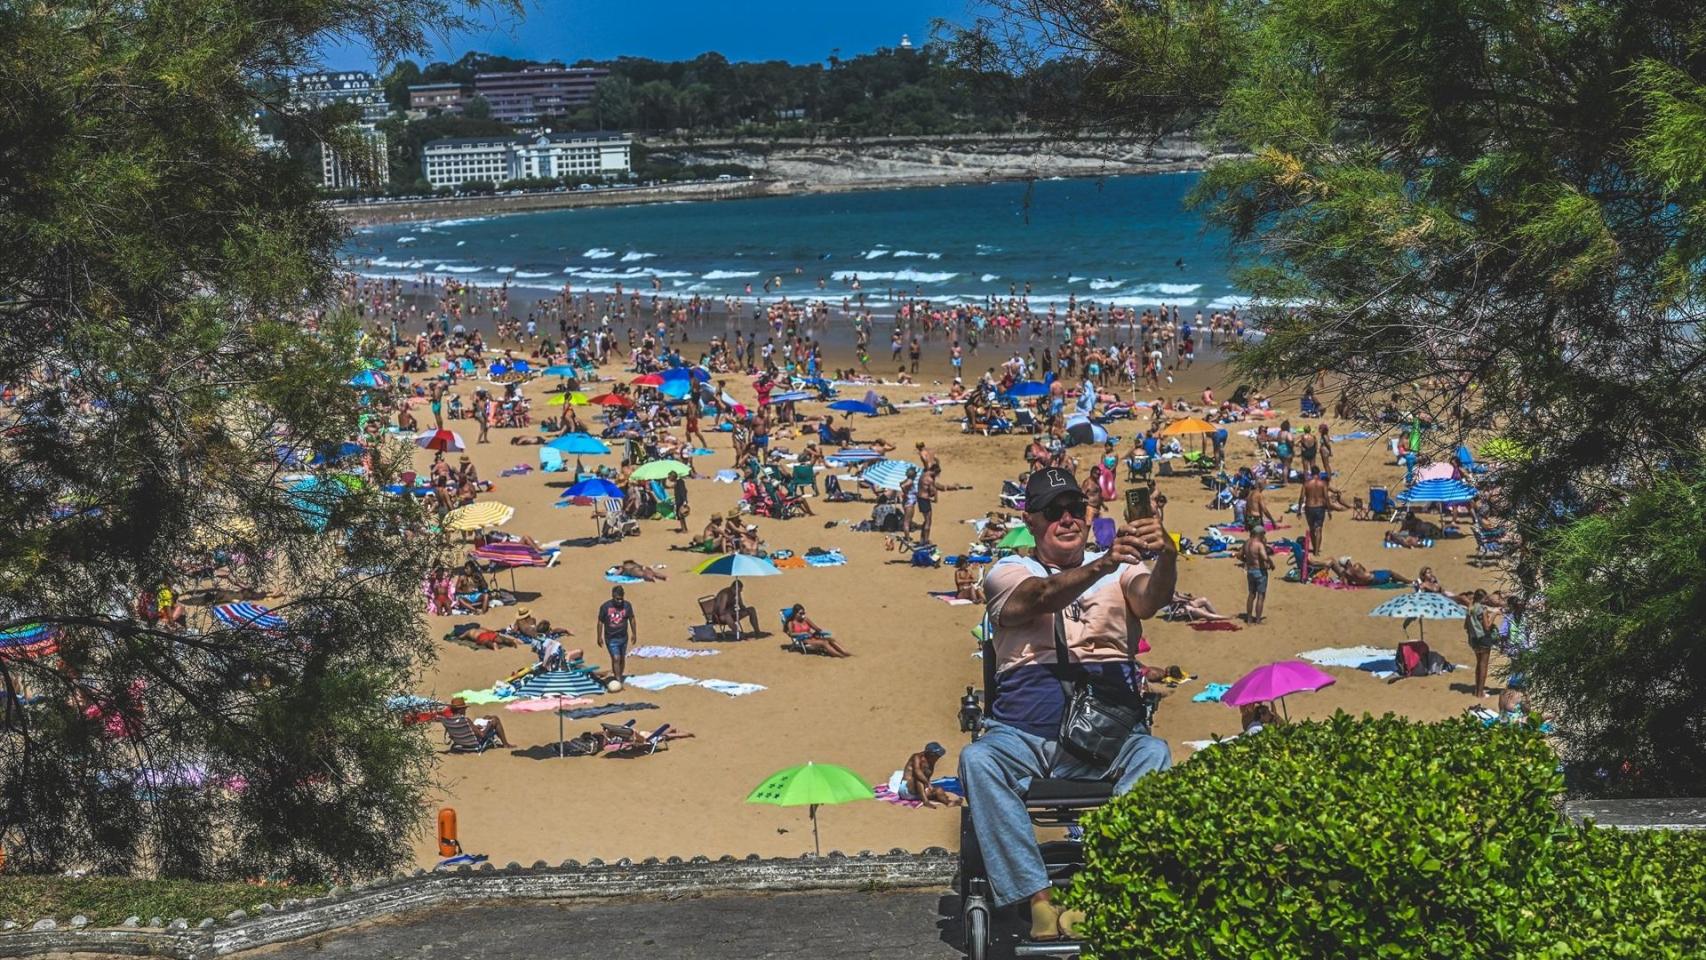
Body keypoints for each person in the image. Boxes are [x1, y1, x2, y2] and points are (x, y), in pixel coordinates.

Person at [960, 467, 1175, 940]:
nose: (1067, 519)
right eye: (1053, 511)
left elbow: (1150, 599)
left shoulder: (1123, 569)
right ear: (1032, 520)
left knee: (1154, 755)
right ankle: (1038, 897)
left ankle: (1098, 890)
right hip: (1023, 735)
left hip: (1106, 735)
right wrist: (1099, 566)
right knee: (978, 760)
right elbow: (1035, 599)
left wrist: (1168, 555)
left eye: (1075, 509)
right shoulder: (1008, 571)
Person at [897, 742, 963, 807]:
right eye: (937, 755)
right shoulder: (917, 757)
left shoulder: (931, 760)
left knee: (939, 790)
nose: (938, 757)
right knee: (919, 778)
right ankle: (925, 801)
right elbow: (917, 772)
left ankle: (948, 803)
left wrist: (928, 787)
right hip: (906, 790)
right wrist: (928, 783)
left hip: (918, 792)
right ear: (930, 754)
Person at [598, 585, 638, 682]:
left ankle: (619, 674)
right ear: (613, 596)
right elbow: (600, 622)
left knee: (622, 658)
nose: (619, 601)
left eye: (621, 599)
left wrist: (634, 633)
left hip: (623, 637)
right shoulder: (605, 607)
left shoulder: (627, 606)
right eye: (617, 599)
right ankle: (618, 679)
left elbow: (631, 619)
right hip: (611, 638)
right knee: (616, 658)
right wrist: (599, 636)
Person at [1465, 588, 1499, 699]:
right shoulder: (1482, 609)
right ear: (1482, 598)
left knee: (1478, 664)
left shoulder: (1470, 609)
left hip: (1474, 639)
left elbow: (1466, 626)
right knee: (1483, 665)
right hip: (1483, 638)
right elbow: (1487, 626)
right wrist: (1494, 615)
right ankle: (1480, 693)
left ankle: (1477, 690)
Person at [784, 603, 851, 657]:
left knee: (830, 639)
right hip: (805, 641)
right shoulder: (791, 623)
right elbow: (791, 634)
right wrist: (802, 633)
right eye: (801, 613)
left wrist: (819, 631)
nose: (803, 615)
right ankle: (840, 656)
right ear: (795, 614)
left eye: (804, 613)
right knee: (824, 643)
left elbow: (816, 628)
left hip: (813, 637)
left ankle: (846, 653)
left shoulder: (805, 619)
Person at [1237, 524, 1274, 624]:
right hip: (1260, 571)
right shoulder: (1259, 544)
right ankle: (1257, 620)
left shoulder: (1246, 543)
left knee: (1251, 594)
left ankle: (1249, 618)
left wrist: (1246, 560)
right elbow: (1265, 557)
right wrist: (1271, 563)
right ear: (1260, 534)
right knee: (1261, 596)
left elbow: (1239, 555)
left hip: (1250, 571)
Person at [448, 696, 513, 748]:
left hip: (461, 740)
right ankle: (505, 744)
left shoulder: (450, 720)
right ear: (460, 710)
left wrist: (474, 727)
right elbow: (482, 735)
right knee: (495, 719)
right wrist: (489, 725)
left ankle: (505, 743)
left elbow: (459, 730)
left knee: (487, 717)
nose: (465, 710)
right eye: (464, 708)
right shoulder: (466, 720)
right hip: (473, 742)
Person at [1297, 469, 1331, 553]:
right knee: (1319, 529)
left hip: (1309, 507)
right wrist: (1329, 510)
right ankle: (1316, 550)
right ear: (1318, 473)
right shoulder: (1323, 483)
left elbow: (1301, 497)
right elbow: (1326, 497)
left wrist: (1299, 510)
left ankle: (1315, 547)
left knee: (1312, 529)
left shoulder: (1306, 484)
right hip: (1320, 507)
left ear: (1311, 473)